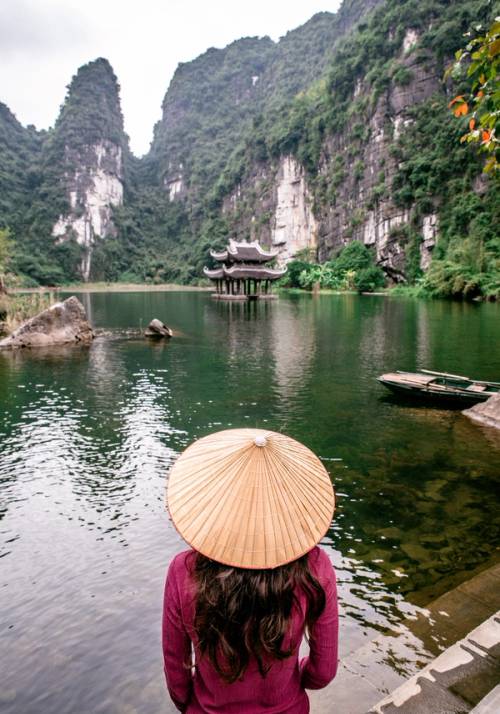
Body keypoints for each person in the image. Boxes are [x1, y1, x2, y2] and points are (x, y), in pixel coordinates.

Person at [162, 428, 338, 713]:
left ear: (214, 501)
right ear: (291, 501)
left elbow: (176, 672)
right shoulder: (316, 566)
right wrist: (295, 682)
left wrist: (189, 704)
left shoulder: (183, 571)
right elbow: (324, 671)